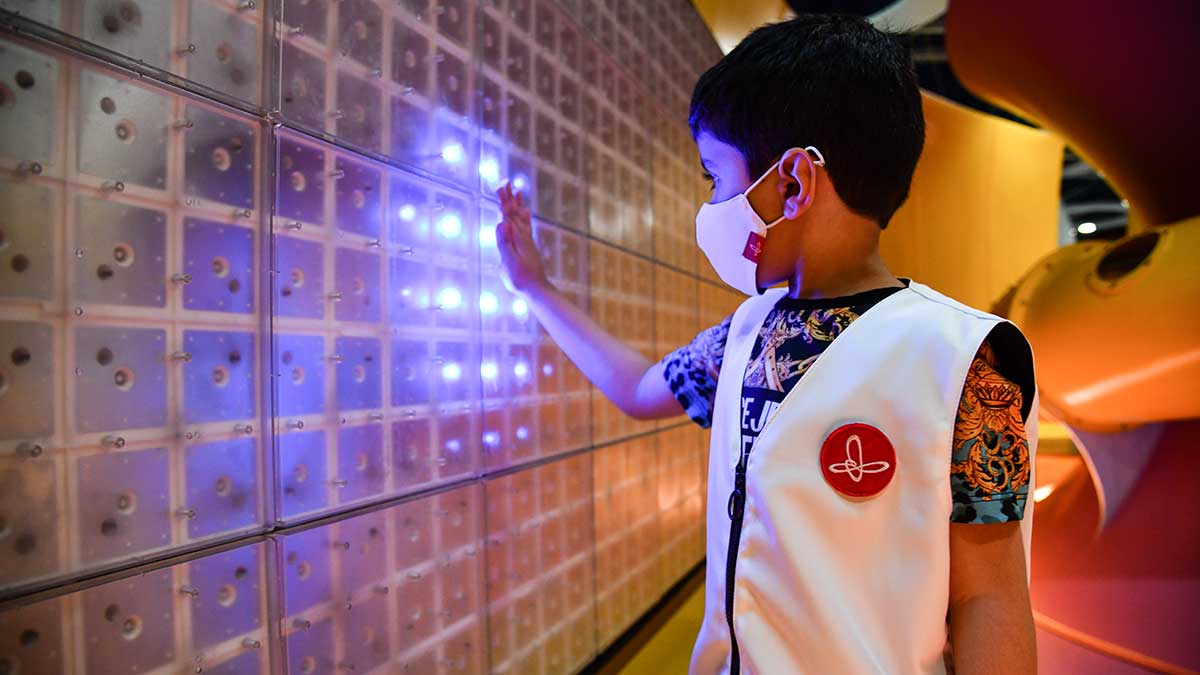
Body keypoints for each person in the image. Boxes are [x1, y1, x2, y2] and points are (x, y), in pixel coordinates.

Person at [494, 13, 1038, 675]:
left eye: (715, 177)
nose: (712, 205)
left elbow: (989, 597)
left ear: (793, 184)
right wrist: (536, 288)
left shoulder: (968, 359)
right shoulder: (744, 333)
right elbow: (638, 389)